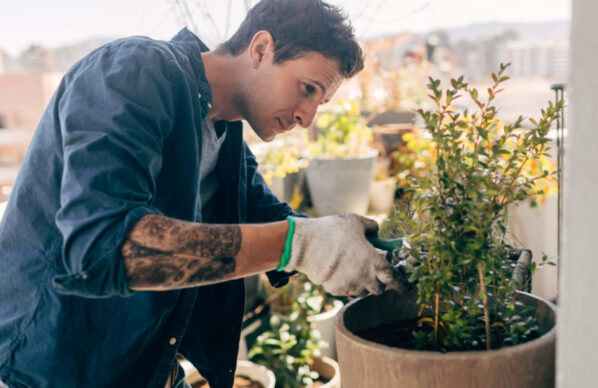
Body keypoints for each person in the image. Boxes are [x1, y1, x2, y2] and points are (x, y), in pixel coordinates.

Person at [0, 0, 405, 387]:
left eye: (321, 101)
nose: (306, 116)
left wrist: (381, 251)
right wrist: (299, 245)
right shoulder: (134, 72)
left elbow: (275, 223)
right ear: (261, 49)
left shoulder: (223, 132)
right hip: (47, 369)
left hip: (144, 369)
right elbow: (103, 247)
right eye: (307, 88)